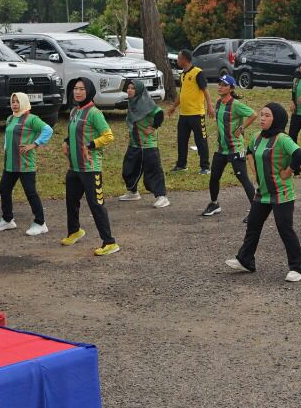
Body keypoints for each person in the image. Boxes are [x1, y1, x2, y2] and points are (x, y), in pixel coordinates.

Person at [225, 103, 301, 282]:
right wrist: (253, 169)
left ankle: (298, 268)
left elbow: (299, 155)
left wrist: (288, 171)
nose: (262, 118)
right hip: (262, 193)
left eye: (267, 115)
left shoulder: (282, 139)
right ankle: (245, 260)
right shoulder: (256, 137)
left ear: (276, 118)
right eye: (261, 114)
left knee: (285, 229)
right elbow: (249, 152)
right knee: (253, 226)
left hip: (282, 193)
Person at [60, 77, 118, 256]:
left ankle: (109, 242)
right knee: (71, 201)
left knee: (96, 204)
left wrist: (91, 145)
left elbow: (108, 135)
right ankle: (74, 231)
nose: (77, 92)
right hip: (74, 168)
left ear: (89, 91)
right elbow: (74, 131)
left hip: (91, 168)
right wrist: (66, 141)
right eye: (75, 89)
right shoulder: (74, 111)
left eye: (81, 89)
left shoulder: (94, 113)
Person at [0, 92, 52, 236]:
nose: (14, 104)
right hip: (10, 164)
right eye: (13, 101)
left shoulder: (32, 119)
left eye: (17, 101)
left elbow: (48, 130)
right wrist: (5, 148)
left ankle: (40, 223)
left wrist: (35, 144)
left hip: (25, 164)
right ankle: (8, 220)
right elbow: (8, 136)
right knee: (4, 189)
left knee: (30, 193)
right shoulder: (10, 118)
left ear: (24, 102)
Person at [199, 75, 255, 217]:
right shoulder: (218, 103)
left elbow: (253, 114)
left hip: (235, 148)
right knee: (214, 178)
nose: (220, 86)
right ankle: (214, 204)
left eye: (224, 85)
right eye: (219, 84)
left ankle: (256, 210)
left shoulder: (235, 104)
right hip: (221, 149)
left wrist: (241, 129)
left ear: (230, 88)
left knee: (243, 179)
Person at [118, 79, 170, 209]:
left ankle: (162, 197)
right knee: (128, 169)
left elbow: (159, 113)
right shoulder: (132, 103)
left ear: (139, 91)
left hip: (148, 145)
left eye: (132, 88)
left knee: (153, 172)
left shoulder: (146, 103)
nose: (129, 90)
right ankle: (133, 192)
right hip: (135, 144)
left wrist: (154, 127)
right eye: (128, 88)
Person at [169, 50, 212, 175]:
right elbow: (182, 94)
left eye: (178, 58)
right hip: (184, 115)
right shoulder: (183, 75)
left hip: (197, 114)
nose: (177, 60)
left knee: (201, 141)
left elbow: (205, 91)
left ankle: (205, 167)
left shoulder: (197, 72)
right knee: (182, 140)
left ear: (184, 60)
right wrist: (173, 107)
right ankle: (181, 165)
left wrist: (209, 106)